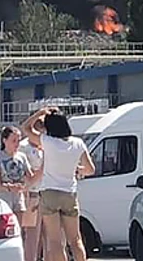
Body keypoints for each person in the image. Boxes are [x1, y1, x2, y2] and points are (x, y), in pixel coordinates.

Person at [23, 107, 95, 261]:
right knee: (75, 240)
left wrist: (40, 113)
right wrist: (77, 170)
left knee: (55, 242)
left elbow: (26, 128)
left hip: (49, 193)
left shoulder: (47, 142)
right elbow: (90, 169)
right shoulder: (78, 143)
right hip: (69, 193)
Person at [0, 126, 34, 236]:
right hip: (4, 198)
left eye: (18, 141)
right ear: (5, 141)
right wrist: (9, 187)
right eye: (14, 141)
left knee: (19, 230)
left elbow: (30, 176)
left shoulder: (22, 157)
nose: (17, 144)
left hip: (18, 198)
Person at [19, 116, 46, 261]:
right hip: (32, 194)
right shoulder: (24, 148)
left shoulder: (45, 146)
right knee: (32, 236)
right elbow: (24, 175)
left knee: (47, 236)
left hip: (46, 193)